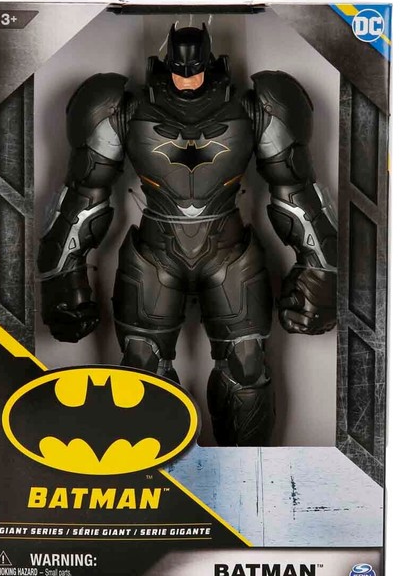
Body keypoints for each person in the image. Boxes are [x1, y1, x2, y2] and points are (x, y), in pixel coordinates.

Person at [38, 24, 337, 446]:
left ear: (211, 63)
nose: (187, 78)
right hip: (155, 251)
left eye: (195, 70)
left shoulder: (258, 107)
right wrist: (62, 276)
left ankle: (244, 479)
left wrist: (320, 269)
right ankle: (158, 480)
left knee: (246, 368)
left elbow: (296, 192)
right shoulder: (118, 108)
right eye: (180, 70)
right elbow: (83, 196)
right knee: (142, 369)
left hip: (229, 251)